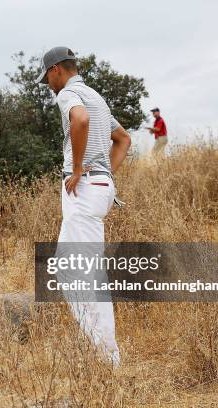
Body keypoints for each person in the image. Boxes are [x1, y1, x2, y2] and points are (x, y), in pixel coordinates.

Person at [36, 46, 131, 366]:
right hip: (99, 189)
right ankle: (102, 351)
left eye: (47, 78)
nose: (49, 85)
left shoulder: (69, 95)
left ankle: (107, 357)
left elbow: (80, 120)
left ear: (55, 71)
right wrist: (104, 175)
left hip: (85, 189)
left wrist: (78, 170)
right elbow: (124, 140)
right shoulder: (96, 96)